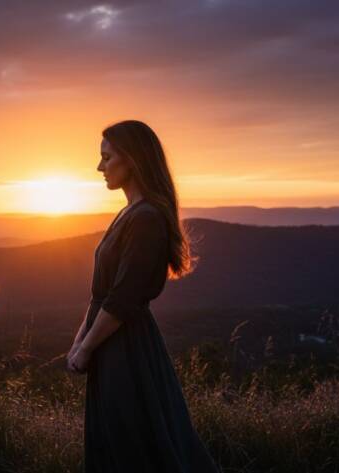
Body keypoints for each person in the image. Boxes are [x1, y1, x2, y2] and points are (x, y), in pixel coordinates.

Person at [66, 120, 220, 472]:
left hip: (127, 349)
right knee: (118, 443)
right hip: (112, 344)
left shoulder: (145, 218)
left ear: (131, 161)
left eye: (107, 158)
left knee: (133, 446)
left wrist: (87, 347)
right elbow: (102, 295)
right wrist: (80, 343)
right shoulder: (130, 213)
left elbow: (123, 299)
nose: (99, 167)